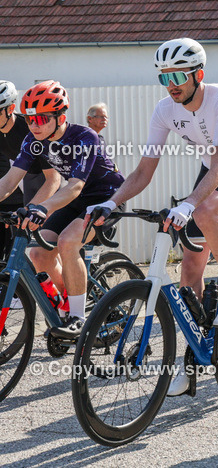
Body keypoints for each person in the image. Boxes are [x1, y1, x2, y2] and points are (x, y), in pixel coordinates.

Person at [87, 38, 218, 396]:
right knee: (190, 269)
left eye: (179, 77)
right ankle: (192, 358)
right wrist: (110, 203)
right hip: (210, 175)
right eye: (164, 78)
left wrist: (188, 204)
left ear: (198, 75)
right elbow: (142, 172)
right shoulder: (164, 110)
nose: (171, 85)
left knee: (202, 211)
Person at [0, 81, 124, 338]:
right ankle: (68, 302)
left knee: (68, 242)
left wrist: (41, 207)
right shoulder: (33, 140)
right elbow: (10, 181)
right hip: (77, 198)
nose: (34, 125)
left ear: (61, 118)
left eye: (42, 119)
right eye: (31, 119)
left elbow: (76, 186)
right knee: (38, 252)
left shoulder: (83, 137)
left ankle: (79, 319)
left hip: (107, 197)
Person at [0, 81, 62, 257]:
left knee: (44, 250)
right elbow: (9, 182)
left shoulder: (30, 130)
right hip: (28, 179)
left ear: (10, 109)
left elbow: (53, 179)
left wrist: (33, 208)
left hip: (50, 180)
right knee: (24, 248)